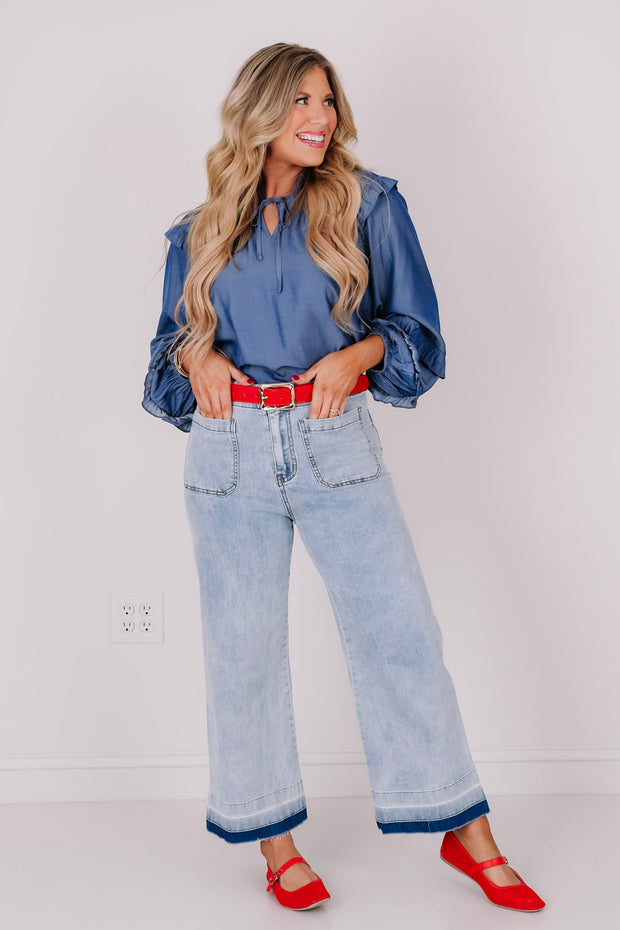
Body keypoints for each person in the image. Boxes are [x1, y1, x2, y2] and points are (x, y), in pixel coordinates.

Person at [142, 43, 545, 913]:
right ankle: (274, 842)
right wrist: (195, 355)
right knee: (243, 652)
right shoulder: (199, 230)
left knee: (401, 631)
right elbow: (166, 358)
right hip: (230, 449)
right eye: (299, 101)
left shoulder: (370, 205)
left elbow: (419, 336)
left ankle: (465, 830)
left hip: (335, 439)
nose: (319, 118)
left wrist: (356, 355)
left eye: (325, 100)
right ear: (258, 111)